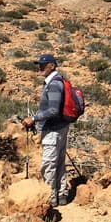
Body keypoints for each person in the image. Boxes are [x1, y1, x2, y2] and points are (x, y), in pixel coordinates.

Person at [22, 54, 70, 207]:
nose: (40, 67)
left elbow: (54, 110)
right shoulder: (55, 81)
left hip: (53, 130)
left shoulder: (54, 84)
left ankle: (50, 198)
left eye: (44, 64)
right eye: (40, 64)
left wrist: (34, 119)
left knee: (48, 164)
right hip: (60, 127)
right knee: (59, 162)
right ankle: (62, 193)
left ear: (53, 66)